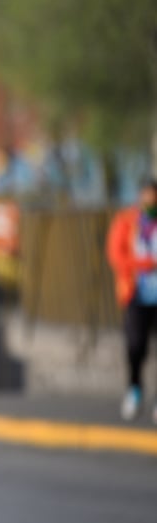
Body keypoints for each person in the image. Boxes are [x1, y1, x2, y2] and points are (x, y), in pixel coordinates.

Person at [106, 180, 157, 424]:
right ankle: (134, 389)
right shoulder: (127, 221)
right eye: (146, 196)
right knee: (136, 346)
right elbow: (116, 256)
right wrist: (145, 264)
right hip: (136, 294)